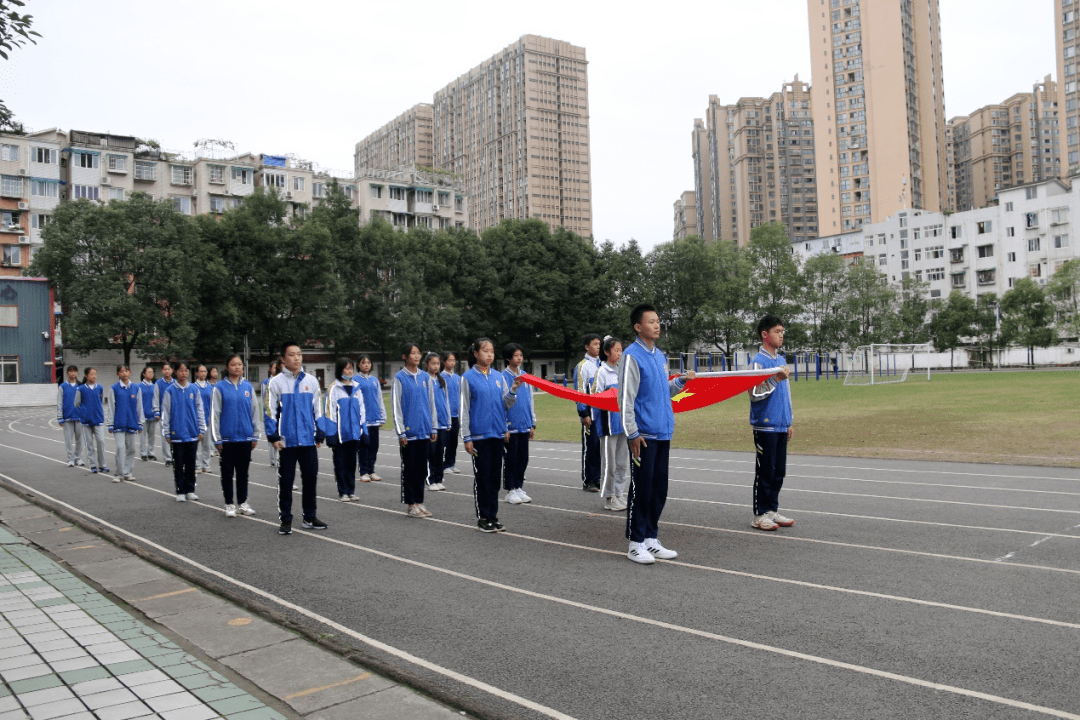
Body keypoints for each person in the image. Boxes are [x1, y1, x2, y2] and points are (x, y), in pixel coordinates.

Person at [620, 304, 694, 564]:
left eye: (658, 321)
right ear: (638, 327)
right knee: (643, 488)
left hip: (663, 432)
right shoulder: (631, 356)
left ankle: (651, 537)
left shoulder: (660, 356)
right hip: (643, 435)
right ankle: (635, 542)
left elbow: (665, 391)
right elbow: (625, 398)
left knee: (659, 489)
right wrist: (632, 433)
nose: (657, 325)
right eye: (651, 321)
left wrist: (681, 382)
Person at [265, 341, 327, 535]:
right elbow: (269, 412)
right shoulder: (275, 383)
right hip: (287, 442)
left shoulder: (312, 381)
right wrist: (273, 436)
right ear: (283, 359)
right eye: (292, 354)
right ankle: (286, 519)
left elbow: (318, 408)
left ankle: (309, 517)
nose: (296, 357)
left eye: (299, 354)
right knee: (286, 482)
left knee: (310, 479)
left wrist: (320, 431)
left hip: (308, 439)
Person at [461, 337, 521, 533]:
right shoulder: (468, 378)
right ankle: (483, 517)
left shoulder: (498, 377)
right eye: (485, 351)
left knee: (495, 478)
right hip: (479, 437)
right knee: (483, 478)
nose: (489, 354)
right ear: (476, 353)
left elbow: (505, 404)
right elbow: (465, 409)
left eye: (492, 351)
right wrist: (467, 437)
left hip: (497, 434)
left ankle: (493, 516)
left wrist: (512, 390)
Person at [748, 314, 795, 531]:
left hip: (780, 424)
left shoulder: (781, 360)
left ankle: (772, 510)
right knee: (765, 470)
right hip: (765, 425)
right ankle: (759, 514)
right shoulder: (758, 362)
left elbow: (786, 394)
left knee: (779, 471)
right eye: (777, 331)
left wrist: (789, 421)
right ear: (765, 335)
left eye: (782, 331)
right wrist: (775, 379)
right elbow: (754, 393)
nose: (781, 335)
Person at [392, 343, 438, 518]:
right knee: (410, 469)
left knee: (421, 469)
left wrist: (433, 426)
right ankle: (411, 504)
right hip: (409, 433)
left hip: (425, 431)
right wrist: (401, 431)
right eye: (413, 353)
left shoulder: (426, 378)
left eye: (419, 353)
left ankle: (419, 501)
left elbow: (431, 404)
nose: (417, 356)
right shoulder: (400, 378)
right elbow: (396, 406)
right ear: (405, 356)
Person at [212, 354, 260, 518]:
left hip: (245, 438)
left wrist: (255, 434)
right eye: (233, 365)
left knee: (243, 472)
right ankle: (229, 504)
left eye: (240, 364)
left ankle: (242, 503)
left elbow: (254, 411)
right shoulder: (219, 388)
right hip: (227, 439)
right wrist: (216, 437)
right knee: (227, 472)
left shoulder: (248, 387)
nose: (237, 367)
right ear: (227, 367)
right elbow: (215, 415)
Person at [594, 337, 629, 512]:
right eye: (616, 350)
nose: (619, 353)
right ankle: (609, 498)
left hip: (623, 423)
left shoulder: (622, 371)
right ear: (607, 352)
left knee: (622, 463)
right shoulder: (602, 371)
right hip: (608, 425)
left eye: (621, 350)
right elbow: (596, 398)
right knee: (610, 464)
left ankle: (619, 494)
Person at [161, 362, 205, 502]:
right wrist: (166, 432)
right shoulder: (170, 391)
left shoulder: (194, 389)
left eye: (186, 370)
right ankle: (180, 490)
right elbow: (165, 412)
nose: (183, 373)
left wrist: (201, 428)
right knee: (179, 464)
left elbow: (200, 410)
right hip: (177, 434)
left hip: (192, 433)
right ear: (176, 372)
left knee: (191, 464)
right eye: (181, 371)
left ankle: (191, 490)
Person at [324, 357, 366, 502]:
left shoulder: (357, 387)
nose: (349, 371)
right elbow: (329, 411)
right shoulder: (333, 388)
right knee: (340, 463)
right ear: (340, 370)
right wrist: (331, 433)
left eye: (351, 368)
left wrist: (363, 430)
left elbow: (362, 410)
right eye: (346, 368)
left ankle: (351, 490)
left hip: (354, 433)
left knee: (351, 463)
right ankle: (343, 492)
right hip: (340, 434)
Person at [501, 343, 535, 505]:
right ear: (508, 358)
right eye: (515, 355)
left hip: (524, 424)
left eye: (521, 355)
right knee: (511, 459)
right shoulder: (503, 377)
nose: (519, 358)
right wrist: (504, 427)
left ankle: (519, 486)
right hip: (511, 425)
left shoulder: (526, 376)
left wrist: (532, 423)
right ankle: (510, 489)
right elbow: (501, 403)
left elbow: (530, 400)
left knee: (523, 458)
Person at [573, 333, 602, 492]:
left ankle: (598, 478)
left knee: (600, 449)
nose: (598, 347)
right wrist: (584, 413)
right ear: (586, 346)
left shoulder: (602, 364)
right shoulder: (583, 366)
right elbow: (579, 391)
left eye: (599, 344)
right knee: (590, 448)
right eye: (595, 344)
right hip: (590, 414)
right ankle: (588, 480)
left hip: (603, 414)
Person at [106, 364, 143, 483]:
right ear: (118, 374)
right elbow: (111, 407)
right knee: (120, 448)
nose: (124, 373)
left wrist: (140, 423)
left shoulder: (136, 388)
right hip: (118, 423)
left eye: (126, 371)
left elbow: (139, 407)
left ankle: (127, 472)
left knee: (131, 449)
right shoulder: (114, 388)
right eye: (121, 371)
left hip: (132, 423)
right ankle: (119, 473)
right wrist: (110, 423)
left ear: (130, 372)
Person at [356, 354, 386, 482]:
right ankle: (363, 471)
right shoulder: (355, 380)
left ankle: (371, 470)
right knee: (364, 445)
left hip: (375, 418)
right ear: (359, 365)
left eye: (368, 362)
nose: (366, 365)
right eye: (363, 363)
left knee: (374, 445)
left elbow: (379, 398)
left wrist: (382, 415)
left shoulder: (374, 380)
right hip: (363, 420)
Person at [424, 352, 451, 492]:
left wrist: (448, 421)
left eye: (437, 363)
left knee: (441, 452)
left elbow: (445, 401)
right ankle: (431, 479)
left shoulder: (441, 381)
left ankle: (439, 478)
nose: (436, 366)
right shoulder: (425, 379)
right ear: (427, 364)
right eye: (433, 363)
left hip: (442, 422)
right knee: (431, 453)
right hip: (431, 423)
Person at [75, 368, 108, 475]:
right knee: (89, 444)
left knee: (101, 442)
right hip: (86, 421)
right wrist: (84, 412)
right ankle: (93, 465)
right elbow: (77, 403)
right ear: (86, 376)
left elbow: (101, 401)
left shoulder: (100, 388)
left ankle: (103, 465)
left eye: (95, 374)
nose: (93, 376)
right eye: (91, 374)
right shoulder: (81, 389)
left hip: (98, 419)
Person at [56, 364, 84, 467]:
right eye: (70, 371)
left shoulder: (81, 386)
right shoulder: (63, 386)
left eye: (74, 371)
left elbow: (84, 402)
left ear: (77, 372)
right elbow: (59, 402)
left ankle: (78, 458)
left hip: (79, 417)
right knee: (68, 440)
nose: (72, 373)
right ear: (67, 373)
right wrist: (60, 416)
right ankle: (70, 459)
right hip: (67, 416)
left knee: (79, 439)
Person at [441, 351, 463, 475]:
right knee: (445, 441)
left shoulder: (457, 378)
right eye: (449, 360)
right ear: (444, 362)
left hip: (456, 415)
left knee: (454, 441)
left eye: (453, 360)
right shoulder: (441, 377)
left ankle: (451, 463)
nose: (452, 362)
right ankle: (444, 465)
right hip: (445, 415)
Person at [193, 365, 214, 474]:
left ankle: (206, 465)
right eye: (201, 371)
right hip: (195, 421)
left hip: (207, 420)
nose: (203, 373)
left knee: (206, 445)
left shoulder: (210, 387)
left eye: (205, 371)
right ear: (196, 373)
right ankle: (197, 465)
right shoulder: (193, 387)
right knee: (195, 445)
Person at [153, 362, 175, 467]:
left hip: (175, 414)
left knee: (175, 435)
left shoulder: (176, 382)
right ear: (162, 371)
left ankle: (175, 456)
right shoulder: (158, 383)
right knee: (165, 436)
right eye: (165, 369)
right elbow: (156, 398)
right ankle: (168, 458)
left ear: (172, 370)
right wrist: (156, 411)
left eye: (169, 369)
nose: (167, 371)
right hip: (163, 414)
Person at [262, 361, 281, 468]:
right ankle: (273, 459)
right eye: (273, 367)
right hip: (270, 413)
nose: (275, 369)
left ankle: (278, 458)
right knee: (272, 439)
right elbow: (264, 398)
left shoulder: (281, 381)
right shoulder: (266, 382)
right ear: (270, 369)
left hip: (279, 414)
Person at [138, 366, 159, 461]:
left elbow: (157, 400)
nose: (151, 374)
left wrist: (157, 412)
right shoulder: (139, 387)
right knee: (142, 436)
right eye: (149, 372)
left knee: (152, 436)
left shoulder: (155, 386)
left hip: (152, 415)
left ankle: (151, 452)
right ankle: (143, 453)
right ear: (144, 374)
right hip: (143, 415)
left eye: (152, 372)